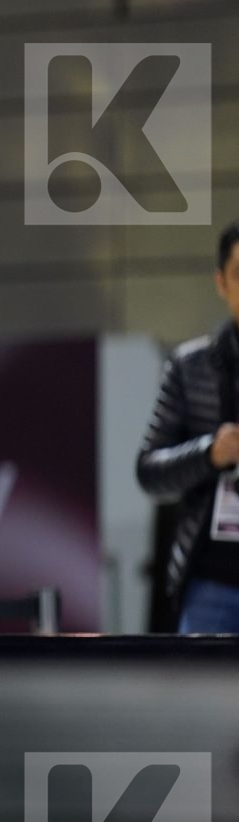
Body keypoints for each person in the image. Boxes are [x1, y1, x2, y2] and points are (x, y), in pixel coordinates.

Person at [139, 220, 239, 632]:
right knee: (203, 694)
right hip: (213, 582)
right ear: (222, 282)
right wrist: (209, 454)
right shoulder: (190, 366)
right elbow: (149, 472)